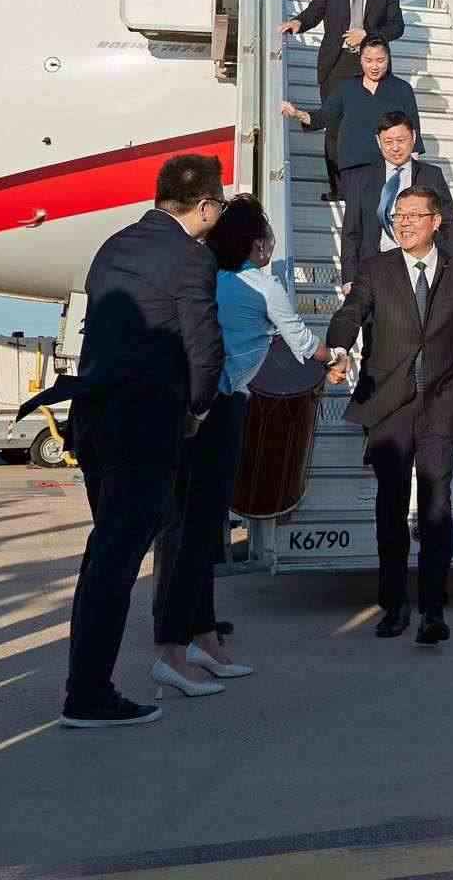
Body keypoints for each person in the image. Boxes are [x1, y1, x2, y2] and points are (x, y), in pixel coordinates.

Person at [44, 154, 226, 727]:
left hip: (94, 418)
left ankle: (87, 685)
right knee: (116, 559)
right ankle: (88, 695)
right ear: (205, 206)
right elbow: (204, 349)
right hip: (144, 424)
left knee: (106, 550)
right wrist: (197, 408)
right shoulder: (192, 258)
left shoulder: (113, 246)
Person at [151, 197, 332, 698]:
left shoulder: (206, 277)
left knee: (189, 529)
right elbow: (303, 343)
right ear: (257, 245)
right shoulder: (263, 285)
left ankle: (204, 640)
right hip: (223, 408)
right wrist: (336, 356)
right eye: (268, 236)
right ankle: (171, 653)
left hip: (189, 409)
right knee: (199, 534)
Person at [326, 186, 453, 646]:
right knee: (391, 508)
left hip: (442, 405)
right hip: (389, 406)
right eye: (399, 215)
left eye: (415, 215)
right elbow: (351, 312)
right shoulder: (375, 269)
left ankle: (433, 610)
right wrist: (338, 349)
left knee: (436, 506)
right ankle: (394, 605)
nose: (405, 223)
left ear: (437, 222)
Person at [280, 0, 404, 197]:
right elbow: (314, 12)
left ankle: (368, 185)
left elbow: (397, 27)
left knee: (370, 128)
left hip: (370, 69)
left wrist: (367, 35)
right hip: (335, 65)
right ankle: (338, 188)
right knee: (335, 128)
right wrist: (298, 22)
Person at [281, 36, 417, 203]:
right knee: (354, 218)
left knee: (384, 214)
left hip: (389, 166)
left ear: (388, 59)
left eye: (380, 60)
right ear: (360, 59)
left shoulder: (402, 89)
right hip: (353, 167)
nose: (374, 66)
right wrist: (296, 113)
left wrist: (411, 172)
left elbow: (413, 130)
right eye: (368, 60)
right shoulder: (346, 87)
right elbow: (324, 116)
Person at [339, 112, 453, 291]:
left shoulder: (431, 176)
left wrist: (452, 269)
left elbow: (448, 224)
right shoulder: (361, 178)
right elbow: (351, 232)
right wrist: (349, 277)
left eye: (401, 140)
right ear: (378, 141)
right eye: (388, 142)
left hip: (419, 268)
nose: (395, 148)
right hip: (374, 269)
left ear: (414, 137)